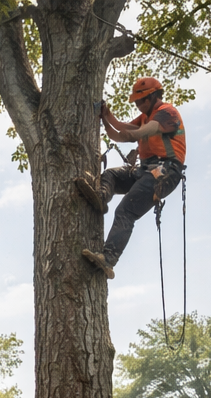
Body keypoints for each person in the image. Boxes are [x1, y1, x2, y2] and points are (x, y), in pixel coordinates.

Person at [78, 76, 187, 280]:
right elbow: (120, 129)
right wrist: (106, 115)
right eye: (136, 102)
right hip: (145, 170)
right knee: (111, 174)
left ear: (153, 96)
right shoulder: (146, 116)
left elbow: (131, 136)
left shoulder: (166, 114)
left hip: (164, 172)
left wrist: (111, 123)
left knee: (126, 211)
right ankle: (100, 199)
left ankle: (108, 259)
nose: (137, 105)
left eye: (140, 101)